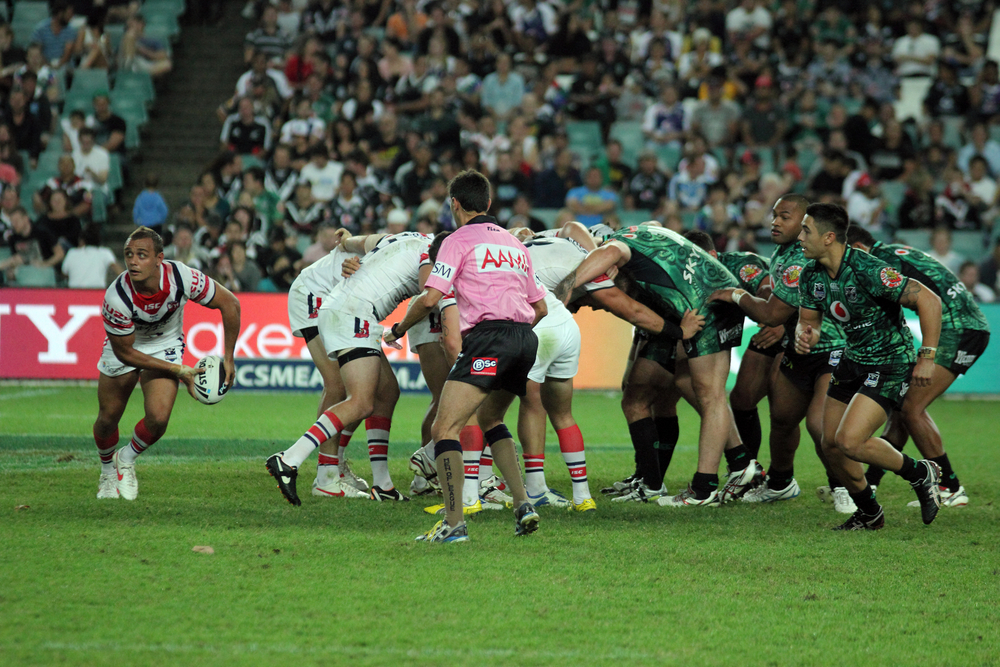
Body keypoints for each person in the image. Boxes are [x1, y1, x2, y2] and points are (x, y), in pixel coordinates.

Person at [385, 170, 547, 542]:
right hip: (524, 339)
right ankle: (523, 505)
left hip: (489, 340)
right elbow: (541, 308)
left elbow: (429, 298)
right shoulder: (514, 244)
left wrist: (396, 329)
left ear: (454, 204)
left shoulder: (457, 241)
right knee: (491, 418)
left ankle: (454, 523)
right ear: (489, 203)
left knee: (445, 429)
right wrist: (513, 337)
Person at [571, 225, 755, 507]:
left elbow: (609, 256)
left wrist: (568, 285)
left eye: (591, 299)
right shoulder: (631, 239)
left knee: (709, 395)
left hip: (706, 304)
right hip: (701, 299)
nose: (596, 305)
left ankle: (705, 488)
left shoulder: (616, 249)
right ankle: (739, 464)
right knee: (682, 386)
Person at [794, 203, 943, 530]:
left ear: (829, 237)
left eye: (806, 231)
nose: (799, 237)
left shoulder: (868, 269)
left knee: (850, 441)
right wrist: (806, 335)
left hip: (890, 361)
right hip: (854, 359)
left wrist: (928, 357)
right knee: (830, 446)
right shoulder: (810, 274)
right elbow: (809, 321)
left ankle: (921, 473)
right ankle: (870, 514)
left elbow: (929, 300)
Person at [266, 230, 436, 505]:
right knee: (343, 388)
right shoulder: (436, 255)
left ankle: (379, 482)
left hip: (353, 307)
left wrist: (347, 243)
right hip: (322, 295)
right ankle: (326, 472)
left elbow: (356, 242)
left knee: (386, 391)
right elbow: (430, 294)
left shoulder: (408, 239)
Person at [710, 195, 851, 510]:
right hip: (795, 344)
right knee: (778, 416)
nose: (774, 222)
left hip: (832, 348)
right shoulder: (783, 253)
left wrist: (738, 297)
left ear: (805, 225)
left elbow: (774, 311)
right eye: (774, 215)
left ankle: (844, 486)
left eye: (784, 217)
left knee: (818, 423)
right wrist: (779, 318)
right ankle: (775, 481)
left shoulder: (804, 257)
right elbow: (778, 303)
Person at [92, 227, 241, 500]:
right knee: (107, 417)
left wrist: (228, 357)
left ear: (160, 258)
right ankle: (107, 471)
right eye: (129, 254)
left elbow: (230, 303)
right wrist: (178, 371)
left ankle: (125, 458)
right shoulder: (117, 298)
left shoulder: (183, 277)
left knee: (159, 418)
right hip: (126, 347)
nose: (133, 261)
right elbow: (125, 353)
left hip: (164, 344)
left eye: (142, 255)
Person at [848, 226, 989, 509]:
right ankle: (872, 481)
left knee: (911, 407)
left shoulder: (878, 263)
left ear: (859, 248)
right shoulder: (893, 252)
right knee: (903, 408)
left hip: (958, 329)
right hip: (964, 324)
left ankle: (950, 487)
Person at [62, 224, 122, 288]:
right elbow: (120, 273)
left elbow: (64, 274)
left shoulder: (72, 253)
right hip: (96, 293)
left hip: (74, 294)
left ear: (82, 240)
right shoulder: (105, 252)